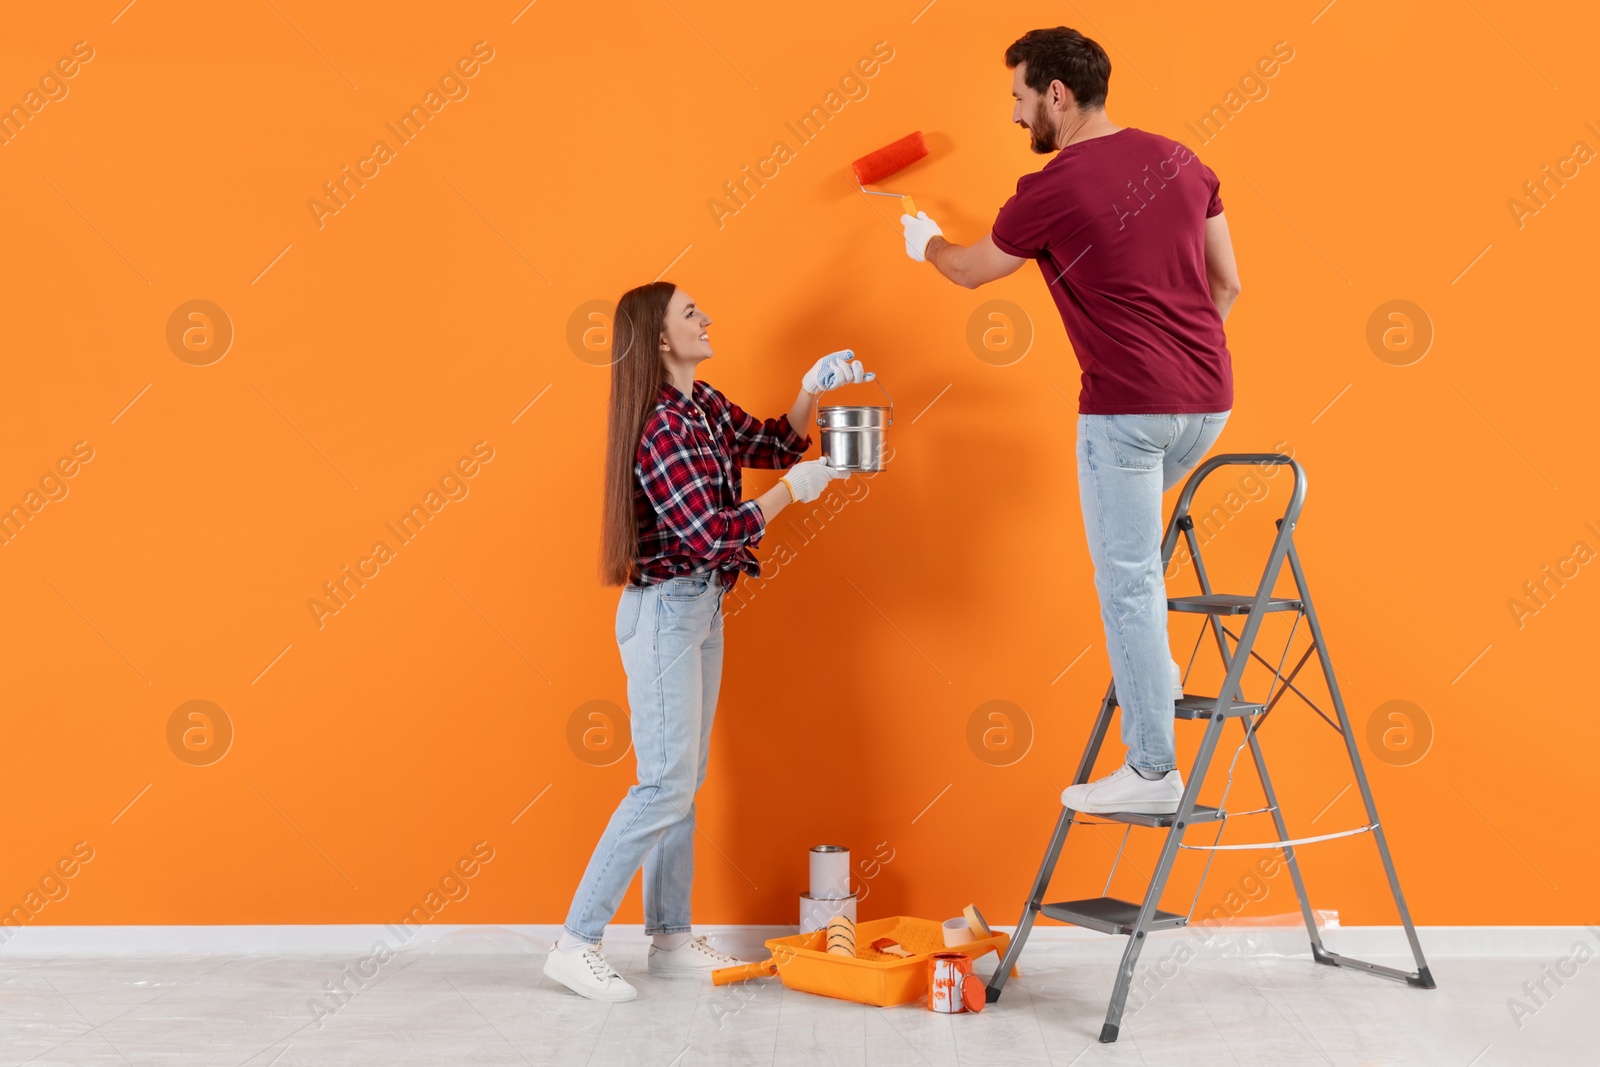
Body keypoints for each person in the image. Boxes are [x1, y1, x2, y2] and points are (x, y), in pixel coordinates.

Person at [899, 27, 1242, 816]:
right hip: (1207, 405)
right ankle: (1156, 676)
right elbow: (1228, 286)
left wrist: (925, 243)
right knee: (1139, 569)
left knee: (1126, 580)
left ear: (1056, 93)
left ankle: (1154, 769)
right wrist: (1181, 359)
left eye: (1020, 98)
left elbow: (969, 271)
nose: (1018, 117)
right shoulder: (1186, 162)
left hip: (1126, 412)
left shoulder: (1051, 187)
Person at [544, 280, 865, 1001]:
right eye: (691, 313)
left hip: (702, 608)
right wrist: (796, 493)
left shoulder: (702, 403)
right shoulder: (659, 425)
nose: (707, 316)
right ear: (660, 340)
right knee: (662, 784)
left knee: (681, 784)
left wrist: (813, 389)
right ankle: (576, 941)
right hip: (664, 612)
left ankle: (667, 937)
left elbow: (776, 442)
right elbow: (709, 534)